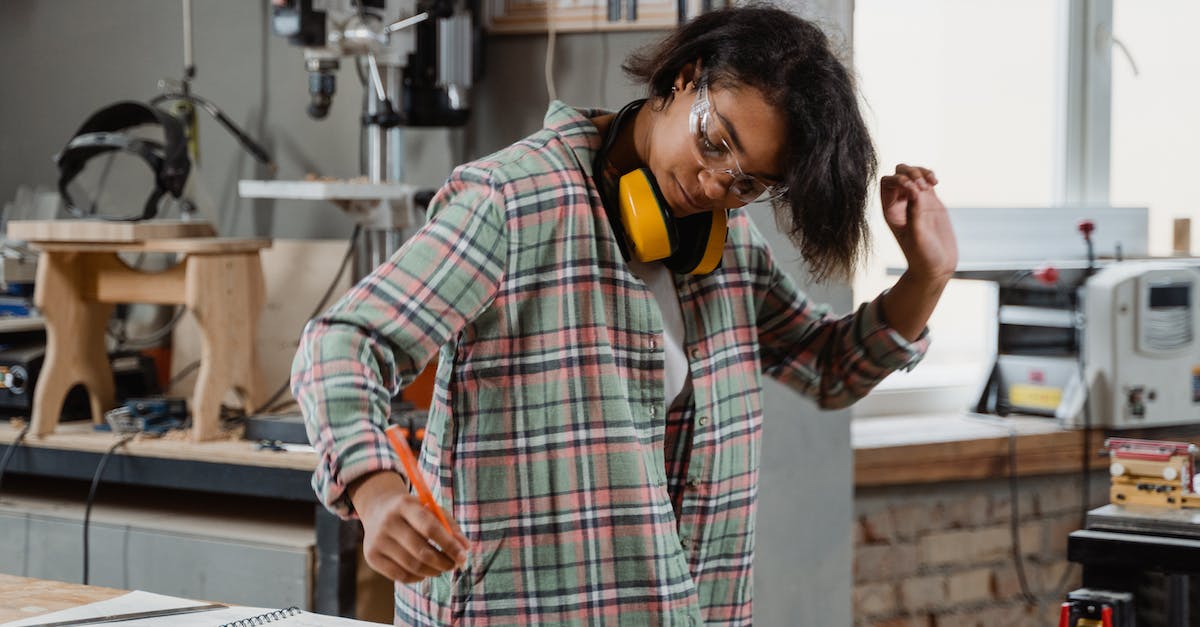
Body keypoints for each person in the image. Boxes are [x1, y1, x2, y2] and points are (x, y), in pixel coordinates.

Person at [292, 3, 957, 625]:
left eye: (749, 182)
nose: (714, 184)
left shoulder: (728, 248)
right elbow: (342, 343)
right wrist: (376, 492)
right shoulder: (515, 202)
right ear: (683, 79)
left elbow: (828, 366)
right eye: (715, 141)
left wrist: (928, 275)